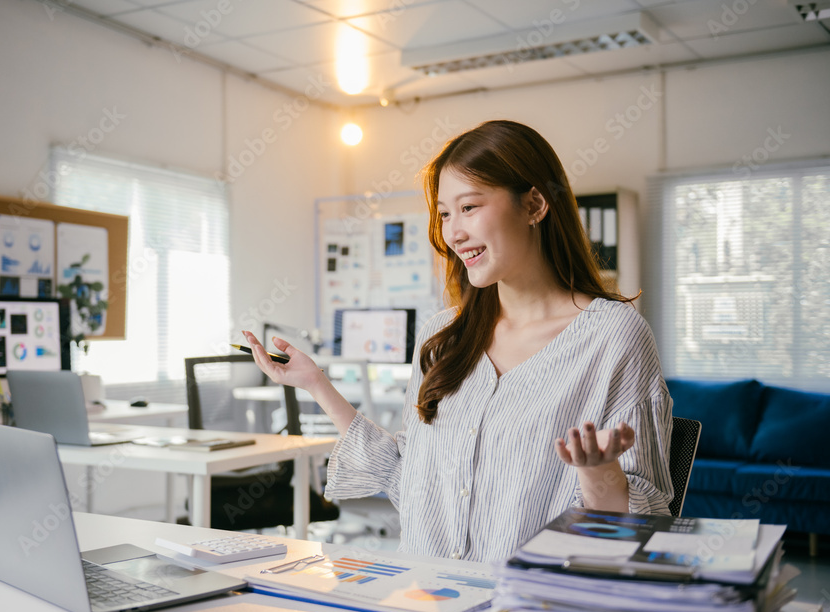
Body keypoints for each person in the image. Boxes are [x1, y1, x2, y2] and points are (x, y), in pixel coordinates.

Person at [243, 120, 673, 563]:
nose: (453, 233)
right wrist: (317, 384)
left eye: (469, 208)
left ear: (535, 204)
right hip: (425, 599)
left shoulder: (613, 336)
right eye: (445, 214)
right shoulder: (442, 337)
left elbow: (639, 527)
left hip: (529, 606)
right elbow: (409, 480)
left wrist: (599, 472)